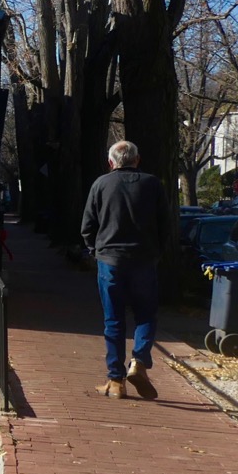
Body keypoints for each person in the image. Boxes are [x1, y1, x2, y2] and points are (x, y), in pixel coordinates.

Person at [79, 140, 170, 398]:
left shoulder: (100, 185)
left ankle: (115, 380)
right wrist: (157, 253)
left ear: (111, 162)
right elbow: (165, 224)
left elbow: (87, 226)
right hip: (143, 260)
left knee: (113, 320)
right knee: (146, 315)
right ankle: (139, 362)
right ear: (137, 160)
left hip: (110, 261)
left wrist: (94, 250)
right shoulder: (153, 185)